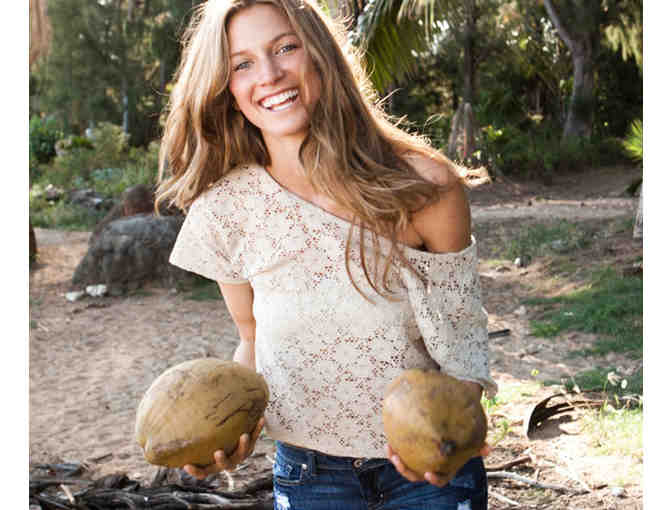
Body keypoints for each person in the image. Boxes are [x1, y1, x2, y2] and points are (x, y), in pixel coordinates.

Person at [156, 0, 498, 508]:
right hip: (309, 477)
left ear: (320, 53)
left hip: (428, 478)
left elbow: (463, 341)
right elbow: (252, 338)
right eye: (242, 63)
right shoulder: (227, 208)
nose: (269, 75)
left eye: (284, 48)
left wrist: (453, 434)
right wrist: (226, 429)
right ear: (226, 87)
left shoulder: (423, 187)